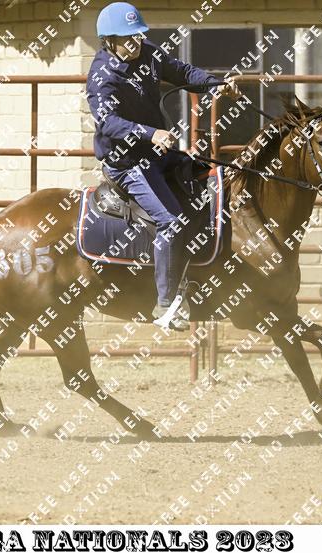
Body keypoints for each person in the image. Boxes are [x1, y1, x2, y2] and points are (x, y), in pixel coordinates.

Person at [86, 2, 240, 331]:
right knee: (170, 220)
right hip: (127, 163)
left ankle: (194, 272)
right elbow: (107, 122)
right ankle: (166, 305)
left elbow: (182, 72)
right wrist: (150, 133)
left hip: (158, 153)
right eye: (127, 38)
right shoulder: (102, 76)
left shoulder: (148, 53)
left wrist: (216, 84)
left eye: (138, 36)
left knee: (204, 180)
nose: (135, 43)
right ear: (109, 41)